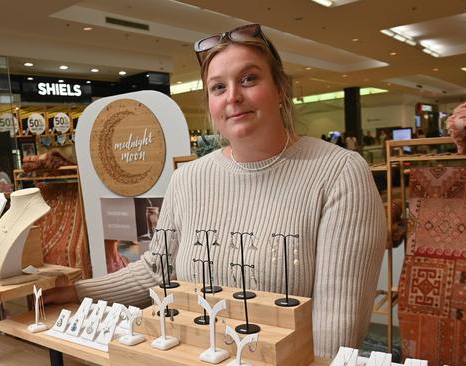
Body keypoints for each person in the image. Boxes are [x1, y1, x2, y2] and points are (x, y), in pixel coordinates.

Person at [46, 24, 386, 358]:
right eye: (218, 87)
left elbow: (335, 328)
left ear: (281, 88)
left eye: (249, 79)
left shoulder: (339, 173)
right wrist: (77, 291)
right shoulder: (188, 179)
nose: (233, 97)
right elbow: (157, 271)